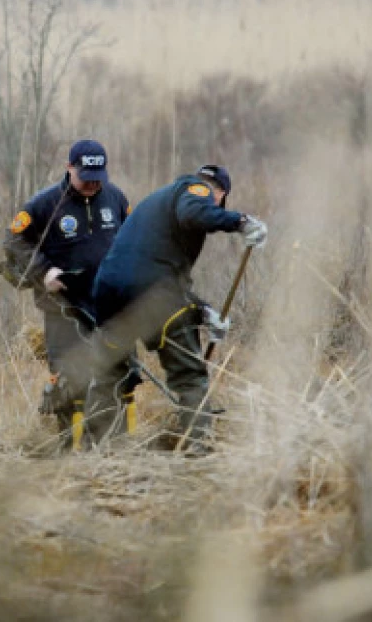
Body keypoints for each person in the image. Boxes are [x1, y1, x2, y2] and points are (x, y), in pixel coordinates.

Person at [87, 164, 268, 449]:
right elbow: (192, 213)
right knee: (190, 376)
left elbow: (153, 270)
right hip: (152, 296)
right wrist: (241, 222)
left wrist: (204, 312)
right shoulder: (194, 189)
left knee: (110, 374)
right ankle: (197, 449)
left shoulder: (156, 203)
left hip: (108, 294)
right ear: (219, 194)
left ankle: (100, 449)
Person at [0, 140, 131, 437]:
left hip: (108, 302)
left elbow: (132, 237)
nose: (91, 184)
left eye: (98, 177)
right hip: (63, 305)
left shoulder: (116, 198)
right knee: (69, 375)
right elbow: (14, 241)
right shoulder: (44, 204)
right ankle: (68, 446)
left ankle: (113, 446)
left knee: (115, 372)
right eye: (85, 176)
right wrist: (43, 271)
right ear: (69, 168)